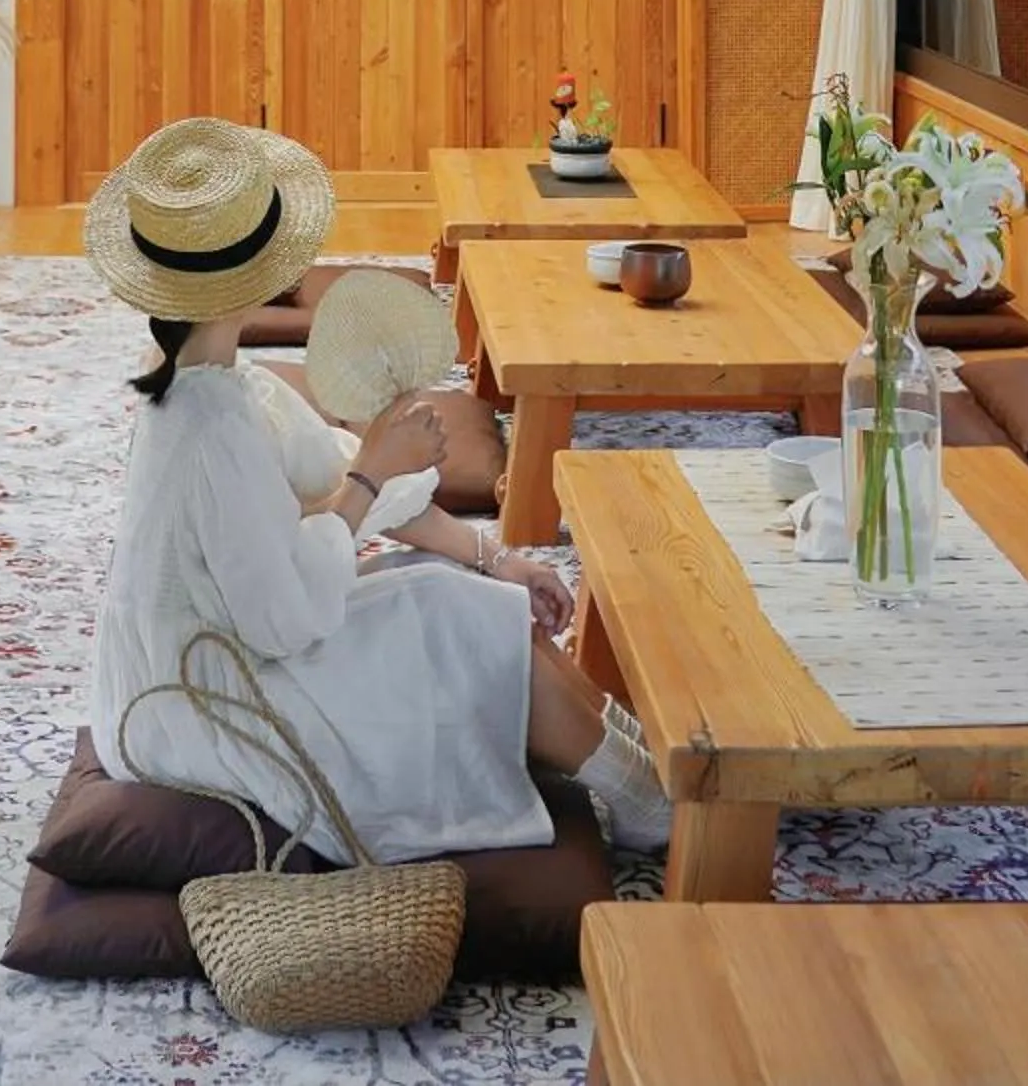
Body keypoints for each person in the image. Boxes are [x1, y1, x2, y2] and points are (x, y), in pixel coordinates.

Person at [85, 117, 672, 862]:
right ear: (260, 278)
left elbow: (335, 481)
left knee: (461, 588)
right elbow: (281, 620)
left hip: (218, 660)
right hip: (200, 709)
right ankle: (650, 800)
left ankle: (643, 765)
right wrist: (371, 471)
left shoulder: (224, 388)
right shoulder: (209, 433)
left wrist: (494, 559)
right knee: (445, 610)